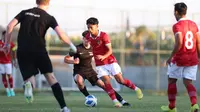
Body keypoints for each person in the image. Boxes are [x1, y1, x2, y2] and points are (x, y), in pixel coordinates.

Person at [3, 0, 77, 112]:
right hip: (39, 50)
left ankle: (28, 85)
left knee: (30, 79)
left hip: (23, 51)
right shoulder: (49, 18)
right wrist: (72, 45)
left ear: (36, 1)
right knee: (51, 77)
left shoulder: (25, 12)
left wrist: (7, 44)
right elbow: (61, 35)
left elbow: (9, 26)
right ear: (48, 3)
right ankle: (64, 108)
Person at [64, 30, 130, 107]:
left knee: (105, 86)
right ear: (83, 39)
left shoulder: (93, 48)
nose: (87, 40)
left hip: (90, 71)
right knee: (79, 80)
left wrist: (109, 71)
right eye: (85, 38)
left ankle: (122, 101)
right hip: (79, 71)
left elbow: (103, 58)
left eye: (88, 38)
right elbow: (66, 59)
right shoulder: (76, 48)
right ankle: (88, 97)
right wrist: (73, 62)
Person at [85, 17, 143, 101]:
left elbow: (110, 50)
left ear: (97, 26)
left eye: (91, 28)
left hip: (110, 61)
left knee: (120, 80)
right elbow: (87, 48)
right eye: (88, 28)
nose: (90, 30)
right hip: (99, 64)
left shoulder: (104, 35)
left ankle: (137, 89)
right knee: (106, 82)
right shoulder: (87, 37)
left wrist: (103, 57)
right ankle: (116, 102)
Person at [161, 2, 200, 112]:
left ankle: (172, 107)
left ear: (177, 12)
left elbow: (179, 42)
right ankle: (194, 105)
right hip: (192, 58)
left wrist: (170, 57)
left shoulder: (177, 26)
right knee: (188, 82)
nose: (174, 14)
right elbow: (198, 43)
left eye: (174, 12)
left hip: (179, 58)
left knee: (172, 80)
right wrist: (199, 57)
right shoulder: (194, 25)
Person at [0, 30, 17, 97]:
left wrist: (15, 60)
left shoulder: (10, 43)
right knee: (3, 76)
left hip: (8, 62)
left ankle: (12, 90)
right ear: (3, 35)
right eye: (5, 35)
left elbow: (14, 50)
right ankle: (7, 90)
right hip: (1, 62)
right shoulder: (0, 42)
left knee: (9, 75)